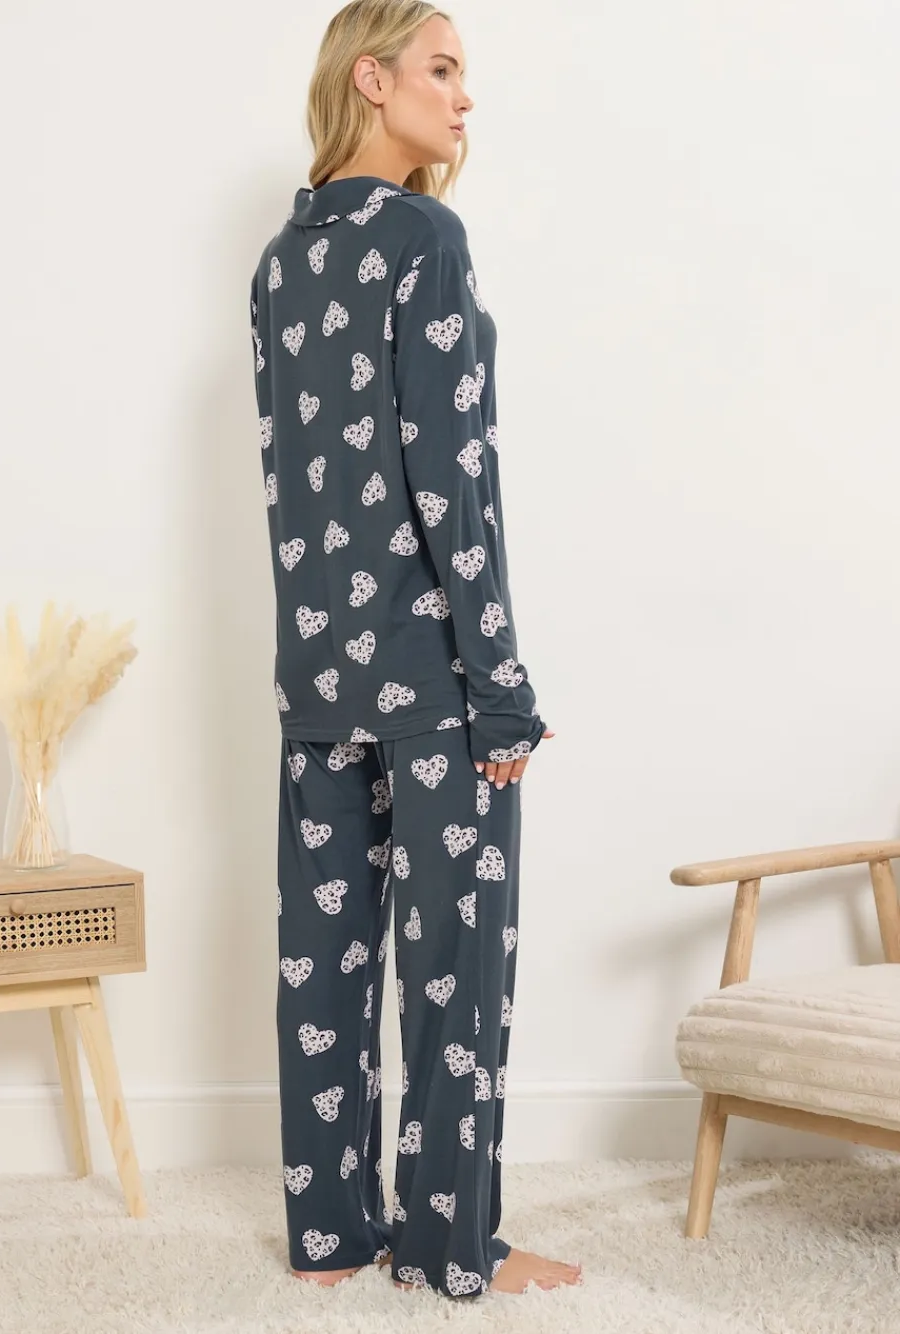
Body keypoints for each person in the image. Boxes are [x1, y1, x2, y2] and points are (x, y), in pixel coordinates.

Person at [248, 0, 582, 1301]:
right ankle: (449, 1247)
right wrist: (502, 689)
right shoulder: (423, 238)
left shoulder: (280, 262)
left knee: (325, 969)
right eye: (443, 68)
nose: (464, 96)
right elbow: (452, 479)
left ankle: (331, 1236)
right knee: (455, 971)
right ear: (372, 78)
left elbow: (292, 484)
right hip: (435, 680)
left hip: (317, 674)